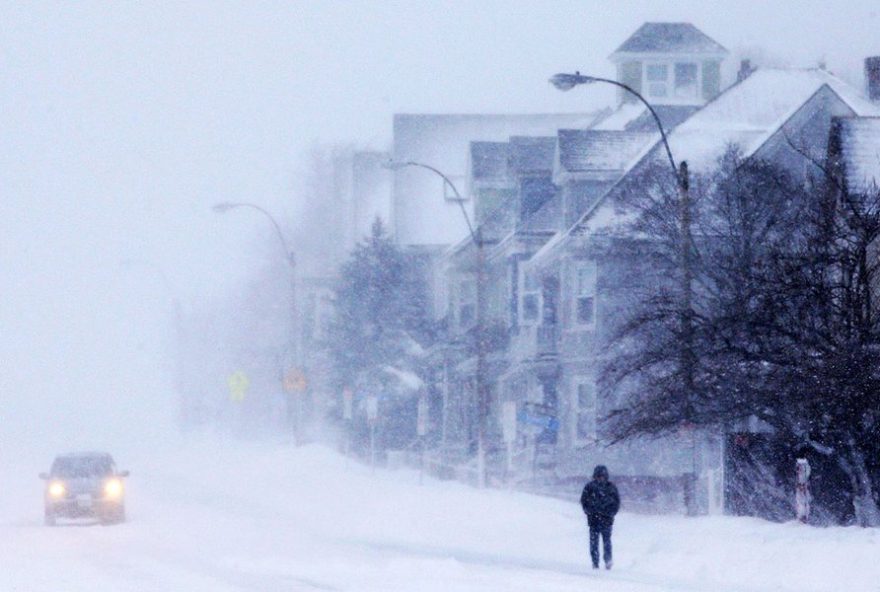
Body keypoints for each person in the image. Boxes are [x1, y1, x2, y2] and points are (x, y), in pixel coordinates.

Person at [580, 464, 620, 570]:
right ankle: (595, 562)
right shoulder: (590, 487)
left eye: (602, 476)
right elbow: (584, 502)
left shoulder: (610, 488)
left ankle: (608, 561)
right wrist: (590, 511)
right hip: (595, 520)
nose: (600, 478)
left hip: (605, 520)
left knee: (605, 542)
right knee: (595, 543)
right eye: (599, 476)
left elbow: (616, 504)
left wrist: (609, 513)